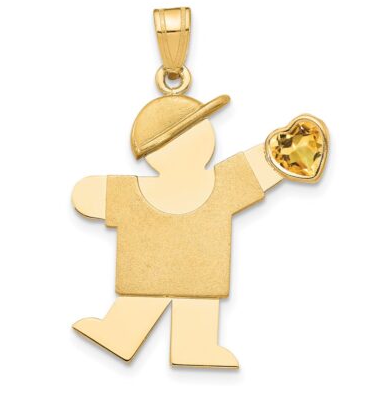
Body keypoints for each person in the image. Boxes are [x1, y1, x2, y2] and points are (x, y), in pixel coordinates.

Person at [72, 94, 289, 368]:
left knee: (191, 309)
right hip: (157, 274)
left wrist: (284, 150)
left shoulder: (222, 185)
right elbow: (88, 195)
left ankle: (191, 348)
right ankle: (121, 334)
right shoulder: (217, 187)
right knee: (143, 304)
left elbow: (259, 167)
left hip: (189, 275)